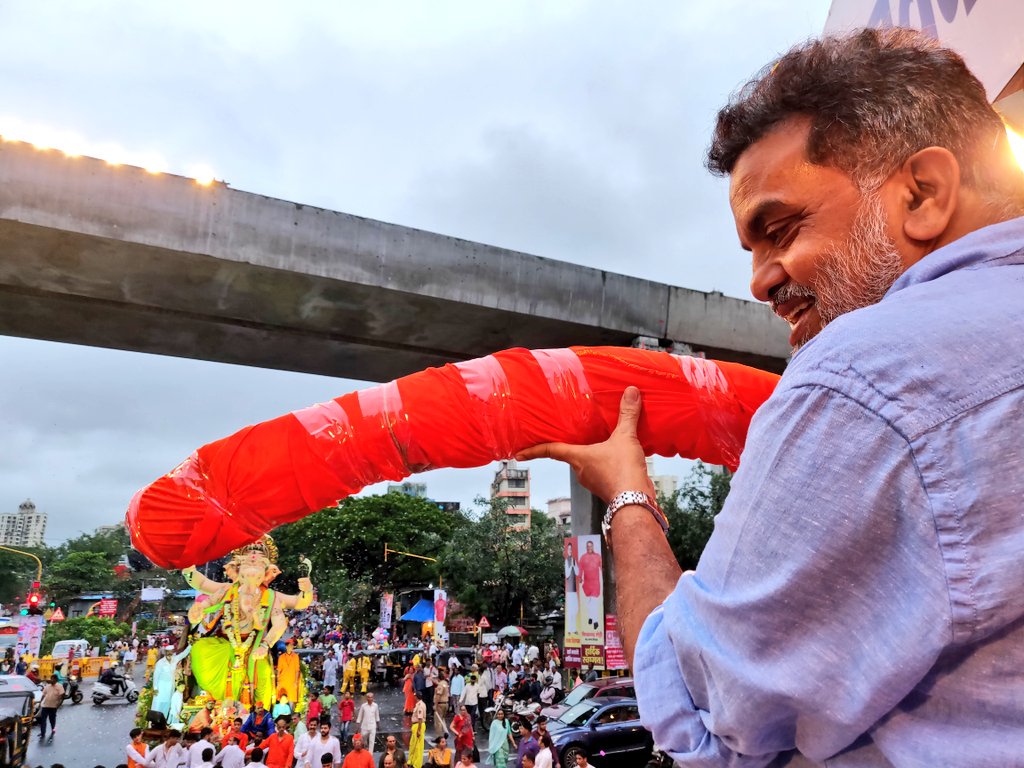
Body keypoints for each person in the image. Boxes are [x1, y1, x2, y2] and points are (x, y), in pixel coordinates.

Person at [515, 26, 1024, 768]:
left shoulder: (864, 376)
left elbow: (706, 717)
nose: (759, 281)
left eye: (780, 230)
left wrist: (627, 498)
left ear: (923, 193)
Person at [576, 540, 602, 631]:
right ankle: (590, 617)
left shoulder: (598, 556)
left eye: (591, 546)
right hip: (587, 584)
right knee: (589, 603)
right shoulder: (583, 557)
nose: (589, 547)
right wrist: (580, 577)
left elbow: (602, 567)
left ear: (593, 546)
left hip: (595, 583)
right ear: (586, 547)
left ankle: (595, 622)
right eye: (588, 546)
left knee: (594, 603)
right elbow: (580, 569)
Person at [37, 674, 63, 740]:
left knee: (52, 720)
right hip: (45, 705)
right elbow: (43, 694)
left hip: (53, 706)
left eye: (53, 679)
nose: (52, 680)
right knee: (43, 720)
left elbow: (62, 696)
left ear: (56, 680)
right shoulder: (47, 686)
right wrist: (40, 702)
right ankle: (42, 733)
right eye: (51, 679)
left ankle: (53, 729)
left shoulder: (59, 686)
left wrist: (58, 704)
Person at [355, 692, 380, 759]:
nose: (370, 699)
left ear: (373, 698)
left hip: (373, 726)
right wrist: (357, 726)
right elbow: (360, 715)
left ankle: (370, 755)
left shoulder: (375, 706)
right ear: (367, 698)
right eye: (369, 697)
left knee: (372, 741)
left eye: (371, 697)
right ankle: (365, 748)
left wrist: (378, 725)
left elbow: (377, 715)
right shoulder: (363, 706)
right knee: (363, 739)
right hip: (364, 726)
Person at [409, 691, 427, 768]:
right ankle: (412, 761)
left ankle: (417, 764)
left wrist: (419, 730)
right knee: (413, 744)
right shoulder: (419, 704)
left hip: (418, 725)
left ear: (416, 697)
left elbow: (420, 718)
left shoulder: (420, 706)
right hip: (416, 725)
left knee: (418, 746)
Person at [432, 668, 450, 738]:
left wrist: (435, 705)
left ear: (438, 678)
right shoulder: (445, 683)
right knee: (442, 719)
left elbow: (438, 695)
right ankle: (445, 732)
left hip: (440, 704)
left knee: (438, 721)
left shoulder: (440, 685)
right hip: (446, 703)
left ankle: (439, 737)